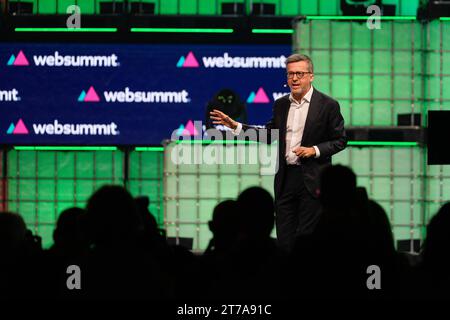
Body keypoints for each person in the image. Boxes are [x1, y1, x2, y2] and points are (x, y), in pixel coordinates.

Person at [210, 53, 347, 252]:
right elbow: (269, 135)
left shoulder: (328, 105)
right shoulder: (281, 104)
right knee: (285, 239)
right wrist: (236, 126)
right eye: (290, 74)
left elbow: (340, 140)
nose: (294, 78)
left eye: (299, 73)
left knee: (307, 241)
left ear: (311, 76)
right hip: (286, 179)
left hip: (313, 178)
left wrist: (314, 150)